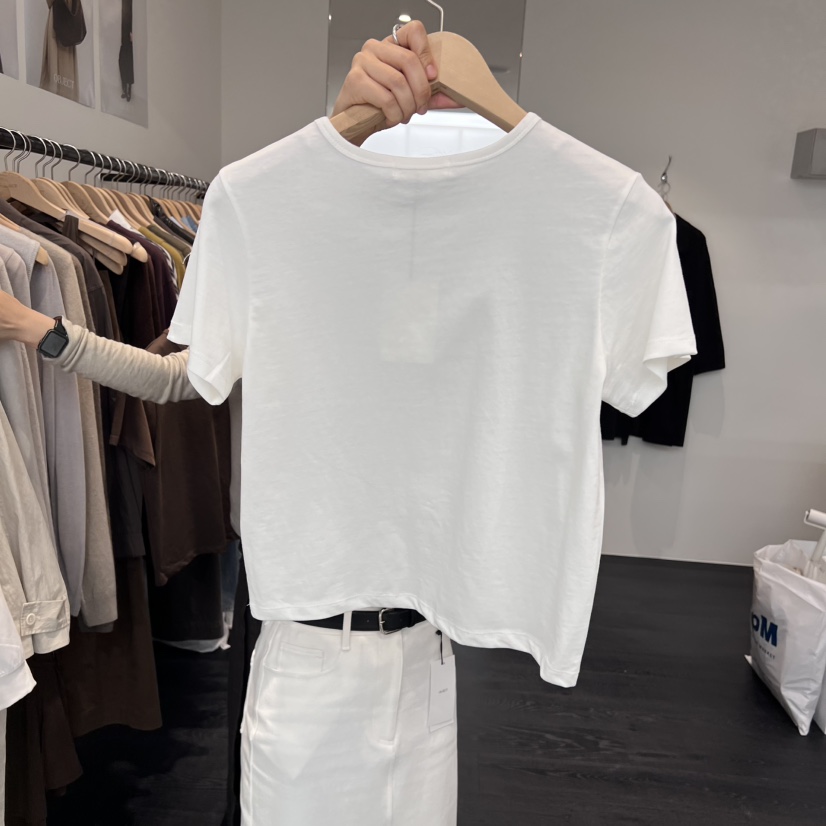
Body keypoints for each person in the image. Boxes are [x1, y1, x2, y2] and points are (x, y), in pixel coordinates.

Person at [1, 19, 464, 826]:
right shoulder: (272, 238)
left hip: (419, 619)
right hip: (294, 597)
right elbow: (176, 376)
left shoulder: (451, 269)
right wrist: (42, 328)